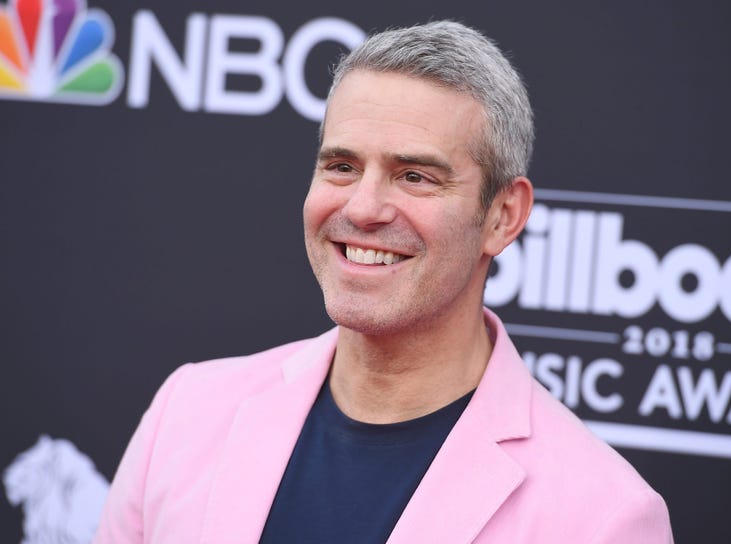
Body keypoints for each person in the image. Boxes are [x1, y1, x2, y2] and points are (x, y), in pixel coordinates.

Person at [94, 20, 673, 543]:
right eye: (341, 166)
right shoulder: (187, 412)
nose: (365, 208)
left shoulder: (605, 518)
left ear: (503, 216)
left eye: (414, 176)